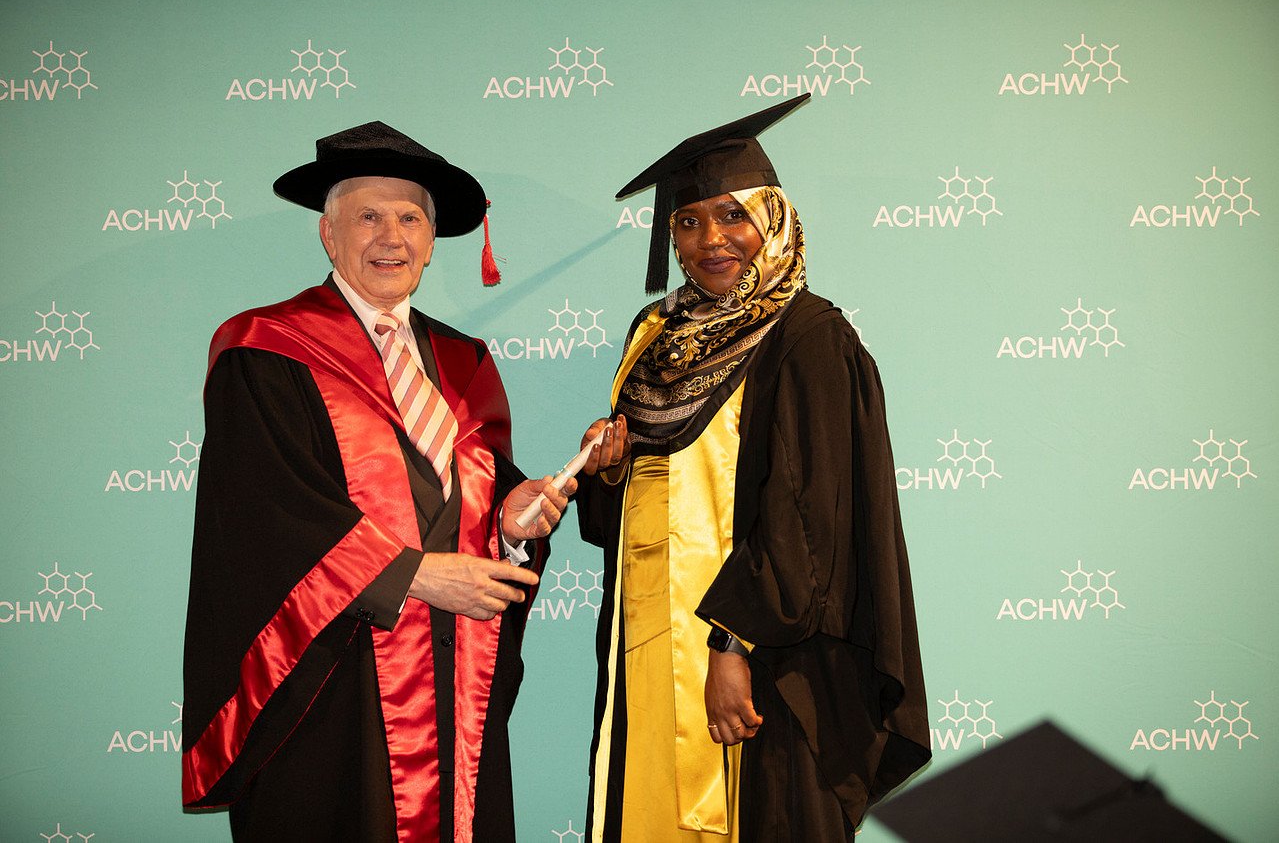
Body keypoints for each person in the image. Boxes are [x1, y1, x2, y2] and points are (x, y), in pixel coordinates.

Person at [181, 121, 574, 842]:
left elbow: (480, 505)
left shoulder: (464, 362)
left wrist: (513, 527)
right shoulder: (266, 349)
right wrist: (413, 576)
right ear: (329, 236)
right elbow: (263, 513)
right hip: (331, 681)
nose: (389, 236)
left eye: (409, 218)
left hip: (453, 682)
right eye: (367, 216)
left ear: (430, 242)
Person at [575, 95, 931, 842]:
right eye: (688, 221)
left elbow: (811, 517)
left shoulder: (807, 339)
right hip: (647, 647)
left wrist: (731, 644)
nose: (711, 240)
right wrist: (608, 474)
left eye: (733, 216)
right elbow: (638, 517)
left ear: (773, 220)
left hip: (760, 653)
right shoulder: (656, 337)